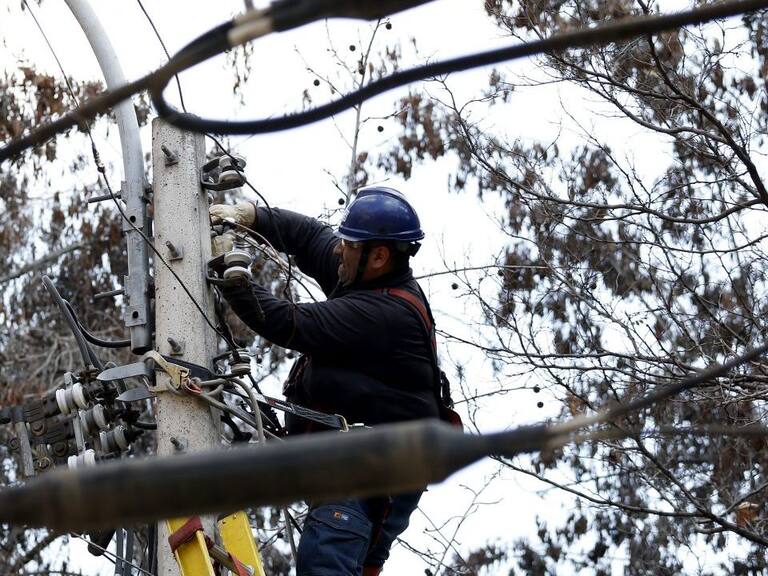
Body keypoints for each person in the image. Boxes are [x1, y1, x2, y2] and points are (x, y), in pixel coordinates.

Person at [210, 186, 446, 576]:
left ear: (379, 256)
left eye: (349, 244)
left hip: (375, 470)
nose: (339, 249)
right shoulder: (359, 273)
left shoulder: (385, 313)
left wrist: (230, 275)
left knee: (326, 558)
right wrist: (251, 216)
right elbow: (308, 237)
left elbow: (290, 323)